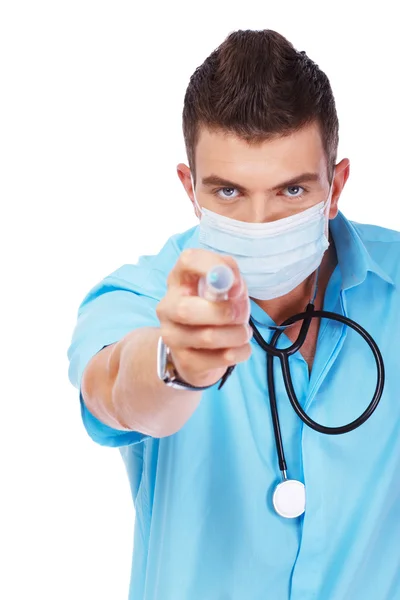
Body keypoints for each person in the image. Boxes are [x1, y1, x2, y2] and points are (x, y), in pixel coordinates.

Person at [67, 29, 400, 600]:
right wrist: (178, 362)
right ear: (189, 187)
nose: (261, 220)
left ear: (336, 186)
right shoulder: (140, 296)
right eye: (228, 192)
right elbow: (115, 387)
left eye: (292, 191)